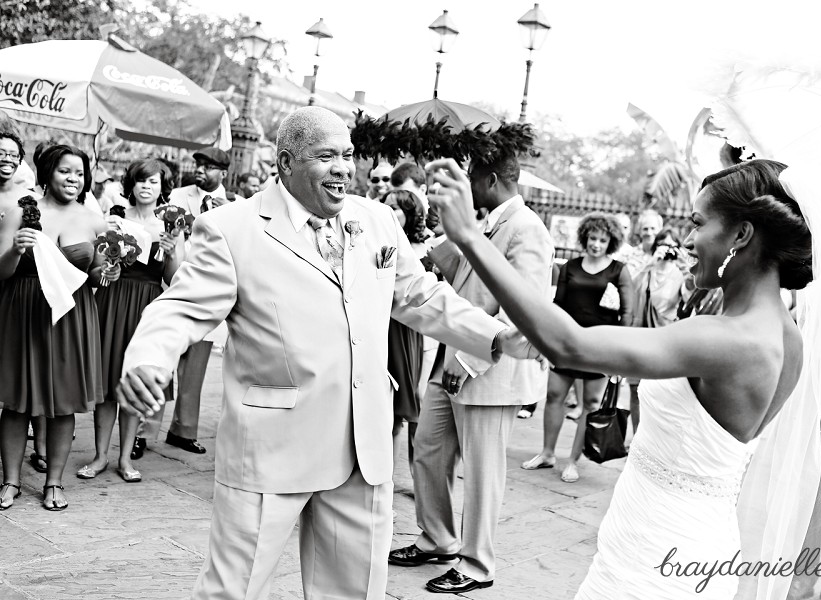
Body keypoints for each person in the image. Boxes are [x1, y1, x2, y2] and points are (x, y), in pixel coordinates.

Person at [115, 106, 537, 600]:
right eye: (326, 156)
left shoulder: (375, 220)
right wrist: (147, 358)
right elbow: (180, 308)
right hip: (273, 448)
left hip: (365, 446)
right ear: (286, 163)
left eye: (348, 155)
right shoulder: (232, 228)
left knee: (354, 592)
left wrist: (493, 336)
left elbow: (419, 295)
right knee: (235, 591)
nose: (343, 168)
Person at [427, 157, 814, 599]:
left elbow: (570, 346)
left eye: (698, 223)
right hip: (696, 537)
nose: (687, 240)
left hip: (658, 553)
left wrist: (470, 238)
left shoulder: (723, 339)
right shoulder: (790, 339)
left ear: (741, 235)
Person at [389, 150, 554, 594]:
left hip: (489, 370)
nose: (466, 185)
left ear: (492, 179)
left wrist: (468, 361)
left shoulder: (526, 229)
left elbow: (524, 309)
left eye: (471, 178)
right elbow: (459, 278)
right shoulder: (484, 221)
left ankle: (478, 564)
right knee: (426, 450)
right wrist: (446, 227)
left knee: (481, 474)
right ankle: (438, 538)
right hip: (450, 361)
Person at [0, 144, 115, 511]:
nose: (73, 179)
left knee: (64, 403)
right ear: (48, 172)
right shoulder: (23, 210)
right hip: (25, 309)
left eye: (80, 173)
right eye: (66, 171)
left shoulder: (95, 220)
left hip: (72, 315)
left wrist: (108, 272)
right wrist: (15, 250)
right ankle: (11, 481)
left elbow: (95, 275)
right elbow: (1, 270)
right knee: (18, 401)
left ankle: (54, 483)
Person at [76, 158, 185, 483]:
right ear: (131, 185)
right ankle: (100, 456)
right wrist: (110, 267)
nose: (147, 186)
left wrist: (172, 250)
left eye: (153, 181)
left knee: (135, 381)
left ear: (162, 187)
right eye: (141, 180)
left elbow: (175, 278)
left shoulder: (170, 227)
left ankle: (125, 459)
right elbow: (100, 269)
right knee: (108, 383)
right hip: (113, 300)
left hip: (146, 308)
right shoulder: (115, 221)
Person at [521, 212, 633, 483]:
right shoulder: (570, 266)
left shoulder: (619, 270)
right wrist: (549, 343)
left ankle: (572, 461)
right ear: (585, 237)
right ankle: (547, 453)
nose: (596, 244)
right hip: (567, 344)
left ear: (611, 242)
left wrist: (619, 354)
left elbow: (628, 315)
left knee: (590, 404)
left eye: (602, 240)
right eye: (592, 238)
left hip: (599, 347)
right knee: (555, 395)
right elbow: (557, 307)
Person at [162, 146, 231, 456]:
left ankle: (182, 430)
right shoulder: (177, 196)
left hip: (207, 294)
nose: (201, 169)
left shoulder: (233, 206)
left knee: (196, 366)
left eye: (209, 166)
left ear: (223, 173)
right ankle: (142, 431)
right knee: (162, 361)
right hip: (174, 286)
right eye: (198, 164)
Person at [382, 189, 429, 475]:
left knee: (409, 406)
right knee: (388, 411)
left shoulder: (424, 249)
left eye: (395, 208)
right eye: (385, 206)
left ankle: (415, 477)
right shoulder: (378, 242)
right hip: (383, 327)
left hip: (409, 331)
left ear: (409, 215)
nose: (387, 212)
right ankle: (383, 482)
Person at [628, 228, 690, 431]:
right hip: (641, 337)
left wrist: (684, 268)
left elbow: (690, 301)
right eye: (664, 245)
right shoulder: (648, 269)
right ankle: (637, 436)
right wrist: (650, 264)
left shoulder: (680, 274)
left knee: (658, 394)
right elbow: (629, 290)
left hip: (665, 341)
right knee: (636, 390)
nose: (669, 251)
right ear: (656, 247)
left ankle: (652, 436)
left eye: (673, 246)